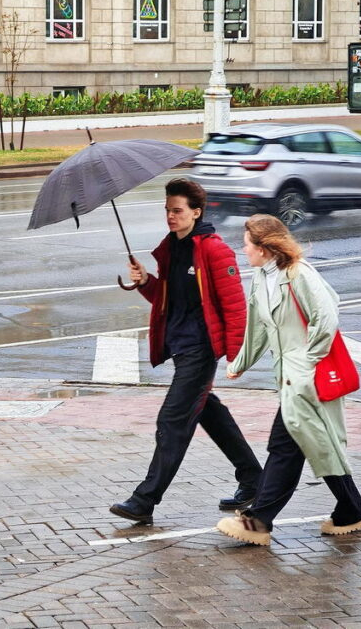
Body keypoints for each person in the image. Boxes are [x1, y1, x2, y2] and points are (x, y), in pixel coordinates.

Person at [109, 178, 262, 525]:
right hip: (180, 345)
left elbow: (235, 305)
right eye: (167, 210)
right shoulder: (173, 248)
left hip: (200, 348)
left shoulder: (213, 249)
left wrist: (236, 355)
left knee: (172, 420)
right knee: (208, 410)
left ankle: (144, 500)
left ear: (196, 211)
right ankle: (254, 479)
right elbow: (170, 300)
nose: (170, 216)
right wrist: (146, 282)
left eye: (177, 211)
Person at [217, 214, 361, 546]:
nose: (243, 250)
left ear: (264, 247)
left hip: (306, 380)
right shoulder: (262, 277)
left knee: (284, 448)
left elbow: (327, 315)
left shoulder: (298, 274)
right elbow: (258, 326)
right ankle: (352, 509)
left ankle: (258, 521)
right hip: (291, 381)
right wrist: (240, 362)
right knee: (315, 443)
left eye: (246, 244)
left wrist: (308, 360)